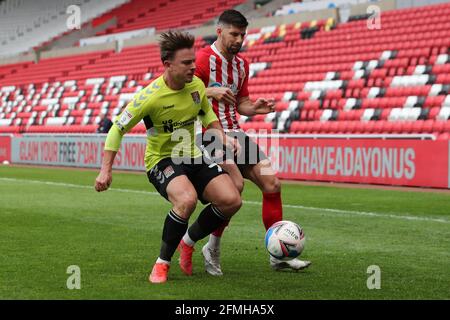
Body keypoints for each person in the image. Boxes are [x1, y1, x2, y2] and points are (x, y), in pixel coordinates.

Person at [94, 30, 242, 284]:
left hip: (193, 154)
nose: (193, 67)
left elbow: (206, 112)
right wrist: (105, 170)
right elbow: (117, 129)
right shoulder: (149, 97)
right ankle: (162, 263)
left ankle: (188, 241)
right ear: (168, 65)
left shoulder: (196, 85)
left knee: (232, 200)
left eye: (193, 61)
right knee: (187, 200)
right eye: (186, 63)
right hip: (162, 160)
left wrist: (221, 135)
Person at [178, 10, 311, 276]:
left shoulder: (242, 65)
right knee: (235, 187)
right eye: (234, 34)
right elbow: (180, 93)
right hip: (208, 134)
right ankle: (212, 248)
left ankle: (278, 256)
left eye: (242, 35)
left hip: (236, 134)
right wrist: (209, 90)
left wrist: (255, 108)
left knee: (272, 184)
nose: (239, 40)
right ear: (219, 32)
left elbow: (240, 103)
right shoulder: (202, 60)